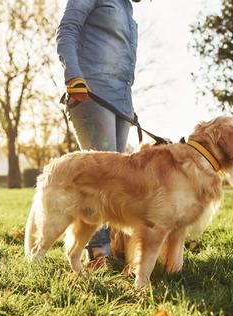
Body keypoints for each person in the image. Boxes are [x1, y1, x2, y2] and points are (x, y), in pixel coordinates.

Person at [57, 0, 141, 270]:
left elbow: (122, 59)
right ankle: (97, 253)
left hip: (121, 99)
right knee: (99, 178)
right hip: (91, 91)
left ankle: (116, 249)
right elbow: (67, 29)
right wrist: (73, 75)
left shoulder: (127, 8)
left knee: (120, 182)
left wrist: (129, 104)